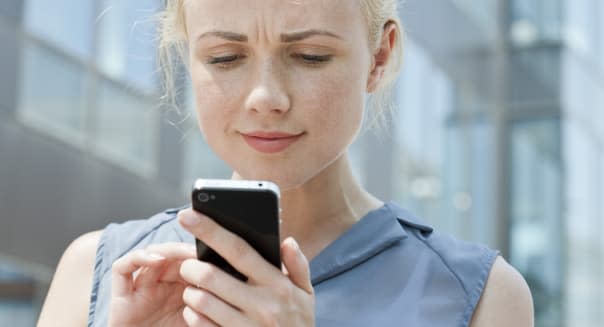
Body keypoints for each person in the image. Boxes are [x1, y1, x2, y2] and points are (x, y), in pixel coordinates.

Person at [37, 0, 534, 326]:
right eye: (226, 58)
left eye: (311, 56)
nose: (265, 97)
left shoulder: (480, 296)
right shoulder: (97, 272)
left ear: (379, 56)